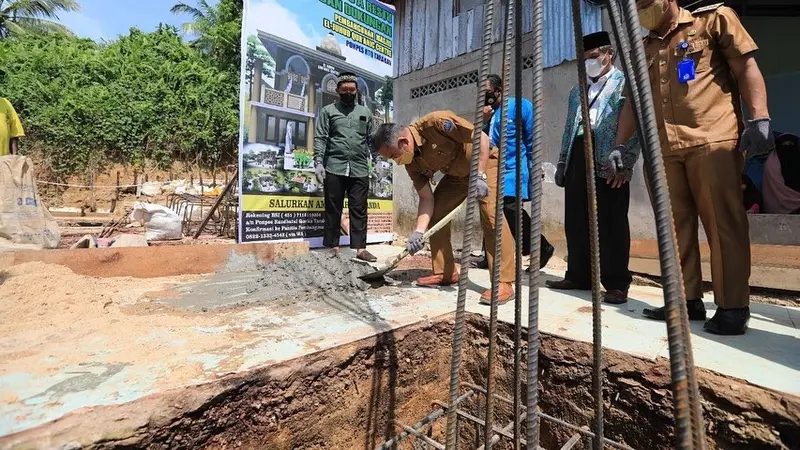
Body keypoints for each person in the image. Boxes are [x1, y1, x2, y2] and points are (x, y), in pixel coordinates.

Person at [615, 1, 773, 334]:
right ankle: (685, 300)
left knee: (722, 224)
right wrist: (619, 144)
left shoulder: (714, 20)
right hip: (663, 151)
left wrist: (759, 117)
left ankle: (732, 307)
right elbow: (633, 99)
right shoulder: (643, 46)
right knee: (673, 229)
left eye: (646, 3)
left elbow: (745, 66)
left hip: (711, 140)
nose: (642, 10)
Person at [372, 111, 517, 304]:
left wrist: (480, 175)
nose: (395, 162)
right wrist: (418, 231)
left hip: (484, 162)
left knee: (491, 216)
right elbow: (426, 199)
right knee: (436, 216)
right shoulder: (411, 163)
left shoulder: (436, 123)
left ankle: (504, 282)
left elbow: (481, 138)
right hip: (456, 175)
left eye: (392, 156)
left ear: (403, 142)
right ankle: (446, 272)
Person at [547, 32, 638, 305]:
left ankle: (616, 282)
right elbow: (568, 127)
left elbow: (634, 125)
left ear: (609, 54)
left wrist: (627, 159)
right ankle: (579, 274)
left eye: (593, 57)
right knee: (576, 218)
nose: (588, 63)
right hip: (578, 153)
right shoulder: (577, 90)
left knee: (611, 220)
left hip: (610, 155)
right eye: (584, 59)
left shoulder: (624, 85)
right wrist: (563, 161)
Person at [485, 74, 555, 273]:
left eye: (488, 92)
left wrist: (536, 165)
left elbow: (533, 137)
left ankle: (541, 247)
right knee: (488, 210)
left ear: (498, 90)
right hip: (492, 170)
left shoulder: (519, 106)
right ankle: (489, 256)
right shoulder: (487, 113)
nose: (485, 96)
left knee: (509, 209)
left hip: (514, 169)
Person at [314, 72, 377, 262]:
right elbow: (321, 137)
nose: (349, 93)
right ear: (338, 91)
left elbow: (372, 139)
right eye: (345, 90)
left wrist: (376, 160)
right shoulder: (328, 111)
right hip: (334, 166)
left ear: (356, 90)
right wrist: (318, 162)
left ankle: (360, 249)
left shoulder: (365, 113)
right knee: (333, 207)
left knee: (359, 208)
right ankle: (333, 246)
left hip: (359, 168)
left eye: (352, 90)